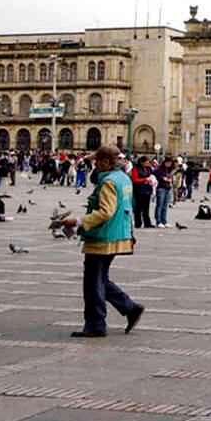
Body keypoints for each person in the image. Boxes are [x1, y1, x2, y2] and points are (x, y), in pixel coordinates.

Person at [60, 145, 144, 338]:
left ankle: (96, 324)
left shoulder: (108, 182)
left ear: (107, 162)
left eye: (98, 161)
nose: (95, 164)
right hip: (119, 234)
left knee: (92, 283)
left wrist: (78, 221)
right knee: (99, 279)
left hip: (103, 237)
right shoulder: (124, 178)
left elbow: (106, 212)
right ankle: (130, 308)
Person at [129, 156, 155, 229]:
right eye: (146, 162)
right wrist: (145, 179)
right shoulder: (136, 168)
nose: (148, 163)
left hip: (147, 190)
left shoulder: (148, 168)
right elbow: (135, 180)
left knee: (146, 208)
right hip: (139, 190)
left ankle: (147, 223)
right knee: (138, 208)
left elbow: (152, 175)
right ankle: (138, 223)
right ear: (142, 162)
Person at [153, 157, 173, 228]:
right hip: (161, 188)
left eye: (170, 163)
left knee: (165, 206)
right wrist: (162, 178)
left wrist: (170, 180)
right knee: (159, 205)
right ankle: (158, 221)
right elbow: (155, 175)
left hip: (168, 188)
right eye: (168, 163)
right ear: (165, 162)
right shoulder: (159, 169)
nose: (169, 164)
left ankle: (164, 221)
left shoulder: (169, 170)